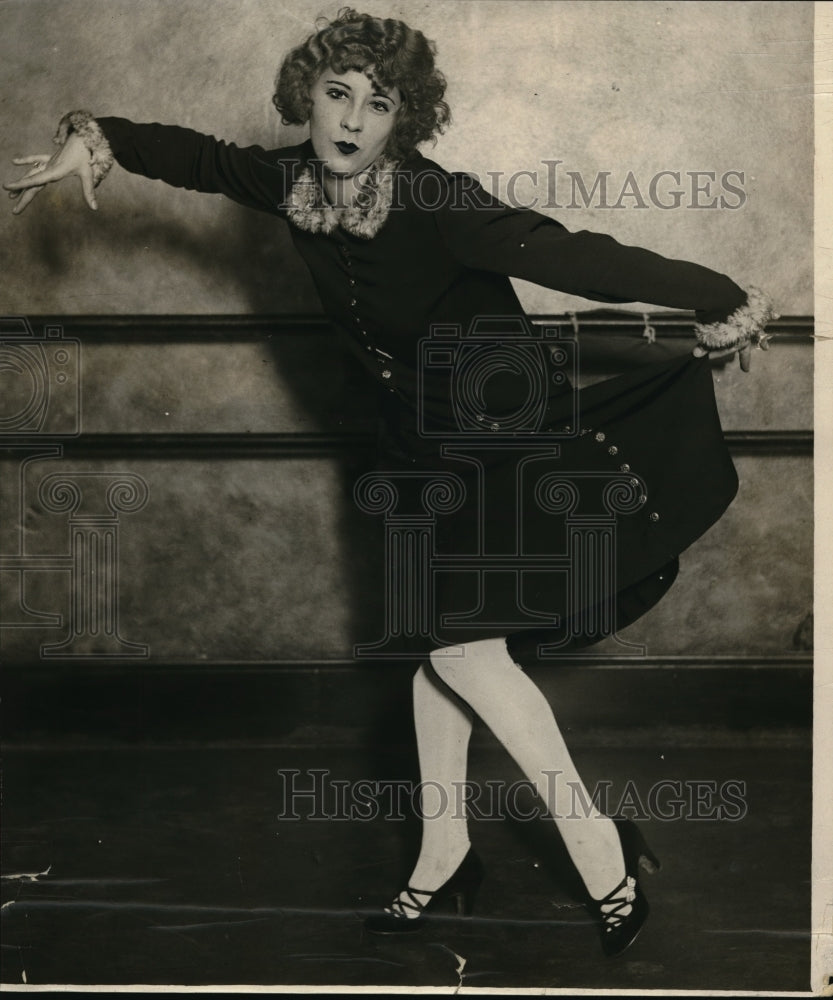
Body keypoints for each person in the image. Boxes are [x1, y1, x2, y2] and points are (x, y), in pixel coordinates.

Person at [5, 7, 775, 957]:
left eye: (378, 105)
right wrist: (102, 138)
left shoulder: (437, 202)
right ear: (308, 99)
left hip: (503, 439)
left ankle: (597, 854)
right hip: (416, 449)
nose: (352, 121)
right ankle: (444, 854)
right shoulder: (289, 179)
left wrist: (720, 294)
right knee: (444, 655)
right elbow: (197, 157)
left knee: (463, 655)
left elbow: (573, 254)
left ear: (401, 120)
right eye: (337, 96)